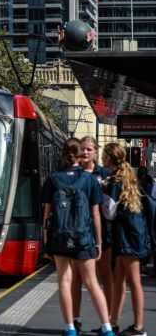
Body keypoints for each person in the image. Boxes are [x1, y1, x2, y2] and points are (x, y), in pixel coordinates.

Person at [42, 138, 113, 336]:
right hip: (83, 237)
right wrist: (98, 242)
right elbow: (96, 214)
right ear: (80, 154)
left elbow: (46, 213)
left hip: (60, 237)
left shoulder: (53, 178)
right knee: (91, 282)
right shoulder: (89, 180)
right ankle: (107, 328)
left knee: (64, 280)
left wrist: (46, 239)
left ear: (64, 154)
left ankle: (70, 328)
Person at [103, 143, 149, 336]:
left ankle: (139, 327)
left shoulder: (115, 182)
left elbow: (109, 213)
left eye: (103, 155)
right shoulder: (127, 178)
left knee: (134, 281)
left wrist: (100, 194)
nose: (101, 158)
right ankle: (112, 322)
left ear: (109, 158)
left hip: (128, 237)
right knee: (119, 279)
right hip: (132, 235)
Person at [71, 135, 113, 334]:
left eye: (89, 149)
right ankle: (76, 319)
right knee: (77, 279)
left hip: (102, 231)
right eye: (83, 149)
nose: (86, 152)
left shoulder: (104, 174)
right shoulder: (73, 174)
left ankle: (109, 320)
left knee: (105, 276)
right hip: (79, 232)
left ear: (96, 152)